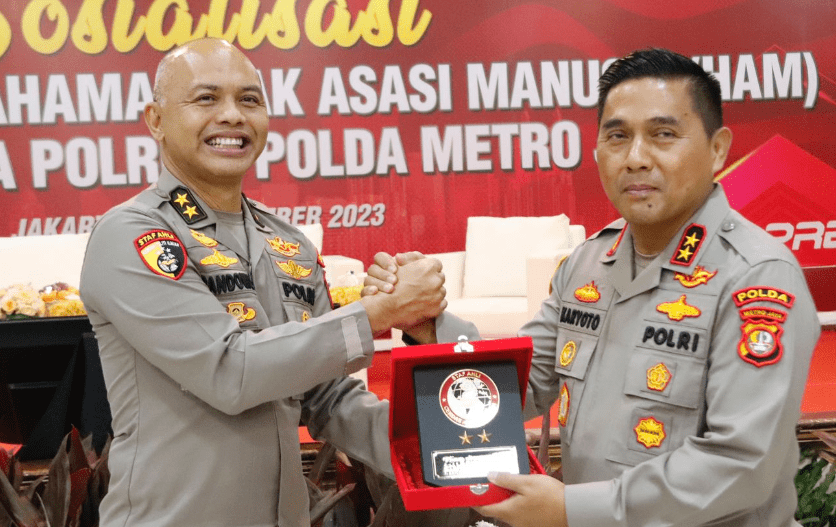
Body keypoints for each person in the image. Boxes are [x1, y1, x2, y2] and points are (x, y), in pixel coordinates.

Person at [365, 48, 821, 526]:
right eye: (618, 136)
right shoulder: (587, 264)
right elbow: (520, 385)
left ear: (718, 149)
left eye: (663, 134)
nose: (636, 158)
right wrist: (428, 324)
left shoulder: (756, 277)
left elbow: (742, 466)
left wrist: (572, 510)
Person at [79, 38, 449, 527]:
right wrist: (381, 312)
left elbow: (325, 397)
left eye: (249, 99)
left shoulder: (288, 242)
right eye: (207, 98)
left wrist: (439, 451)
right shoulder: (133, 234)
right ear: (156, 120)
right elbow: (229, 372)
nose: (232, 115)